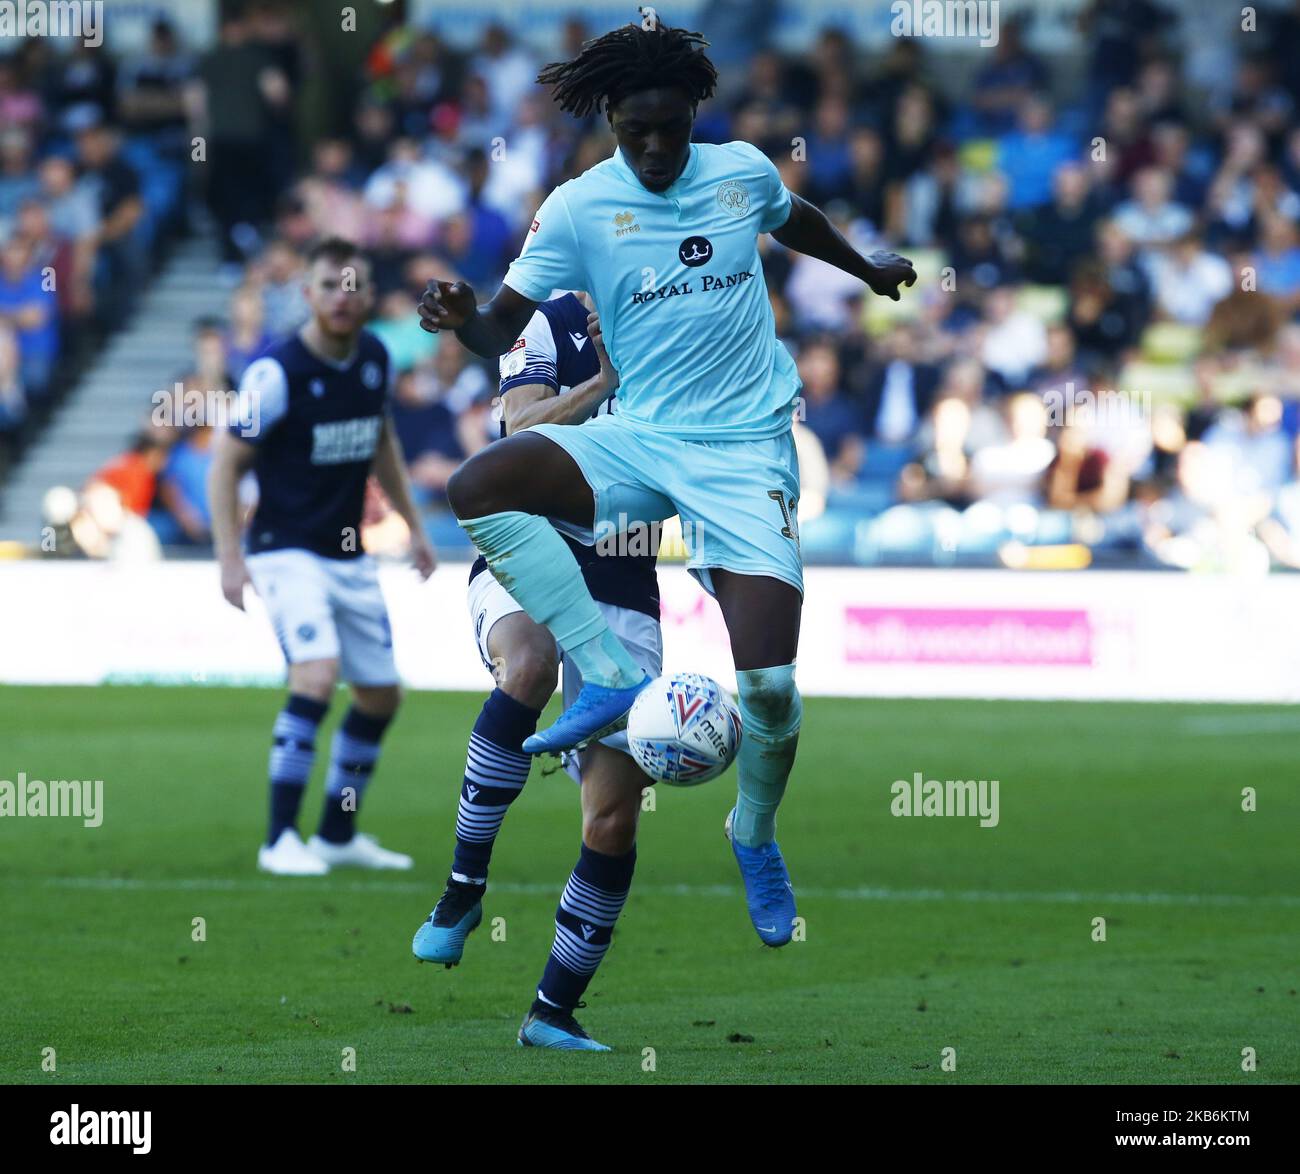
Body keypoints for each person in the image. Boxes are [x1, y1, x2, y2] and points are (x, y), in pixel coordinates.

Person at [418, 22, 915, 949]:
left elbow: (792, 217)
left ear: (693, 116)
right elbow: (498, 333)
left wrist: (869, 268)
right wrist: (461, 322)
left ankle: (753, 832)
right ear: (607, 119)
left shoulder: (738, 173)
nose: (652, 147)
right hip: (640, 439)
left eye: (668, 129)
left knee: (768, 689)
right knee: (480, 483)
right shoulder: (575, 208)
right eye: (632, 130)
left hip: (744, 455)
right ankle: (602, 671)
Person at [413, 294, 661, 1051]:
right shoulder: (547, 320)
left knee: (613, 818)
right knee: (530, 662)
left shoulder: (685, 335)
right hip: (529, 546)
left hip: (624, 574)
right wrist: (605, 381)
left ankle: (553, 1010)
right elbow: (517, 429)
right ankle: (461, 893)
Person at [208, 237, 435, 875]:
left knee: (381, 697)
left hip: (348, 553)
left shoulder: (374, 358)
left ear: (367, 297)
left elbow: (382, 438)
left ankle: (337, 833)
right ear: (307, 294)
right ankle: (280, 838)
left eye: (354, 285)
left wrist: (413, 525)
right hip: (284, 550)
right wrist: (230, 557)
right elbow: (225, 462)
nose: (342, 296)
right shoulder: (276, 374)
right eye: (329, 285)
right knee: (315, 672)